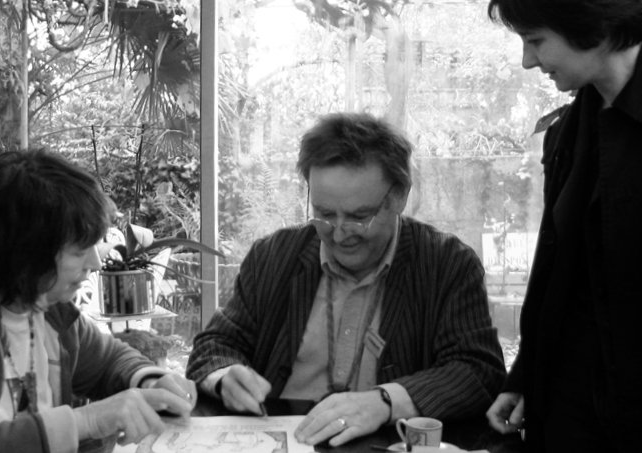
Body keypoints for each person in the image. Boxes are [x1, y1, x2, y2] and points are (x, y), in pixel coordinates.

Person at [187, 112, 506, 447]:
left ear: (399, 196)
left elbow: (478, 370)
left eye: (359, 216)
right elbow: (215, 345)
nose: (339, 234)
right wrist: (225, 378)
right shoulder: (274, 256)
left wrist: (385, 401)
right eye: (324, 214)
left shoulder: (446, 264)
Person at [484, 1, 642, 452]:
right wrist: (527, 375)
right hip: (575, 408)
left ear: (590, 25)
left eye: (536, 40)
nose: (528, 61)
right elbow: (563, 275)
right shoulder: (570, 129)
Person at [0, 149, 197, 453]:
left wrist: (150, 381)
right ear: (26, 251)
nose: (95, 263)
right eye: (79, 251)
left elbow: (107, 360)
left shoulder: (43, 303)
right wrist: (86, 421)